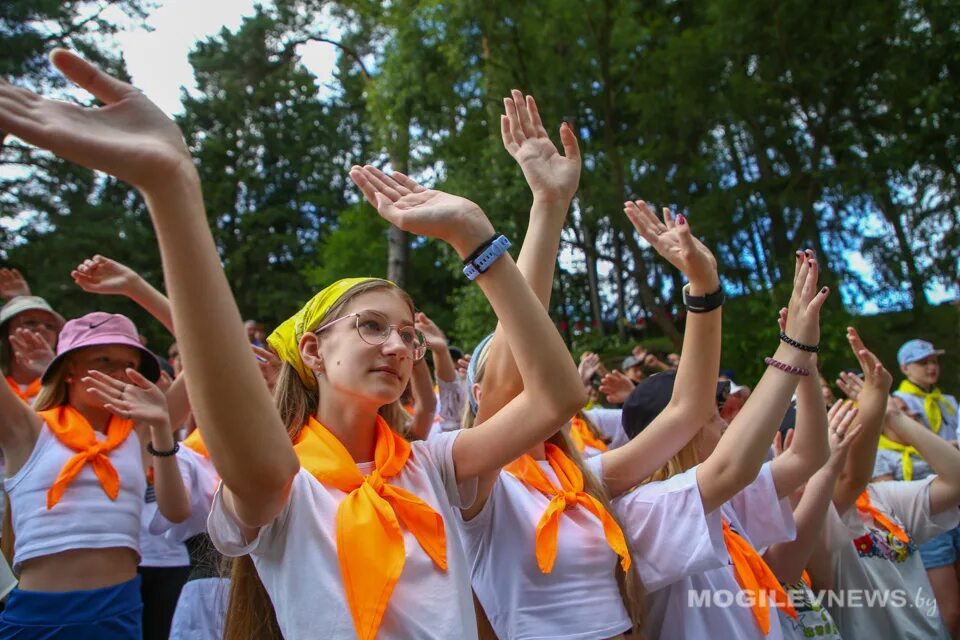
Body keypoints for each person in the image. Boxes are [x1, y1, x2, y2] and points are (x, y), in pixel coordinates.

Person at [0, 50, 587, 640]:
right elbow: (251, 445)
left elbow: (555, 394)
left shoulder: (433, 464)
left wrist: (475, 236)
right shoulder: (284, 484)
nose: (399, 346)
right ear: (310, 351)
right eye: (371, 326)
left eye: (408, 335)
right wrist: (171, 187)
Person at [0, 307, 190, 639]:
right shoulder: (29, 430)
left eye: (129, 365)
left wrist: (135, 288)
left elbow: (201, 350)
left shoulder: (139, 434)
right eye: (103, 360)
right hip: (36, 618)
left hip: (119, 613)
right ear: (68, 369)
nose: (119, 373)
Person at [1, 296, 63, 406]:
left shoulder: (70, 387)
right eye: (30, 322)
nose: (42, 328)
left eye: (49, 326)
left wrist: (52, 373)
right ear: (4, 333)